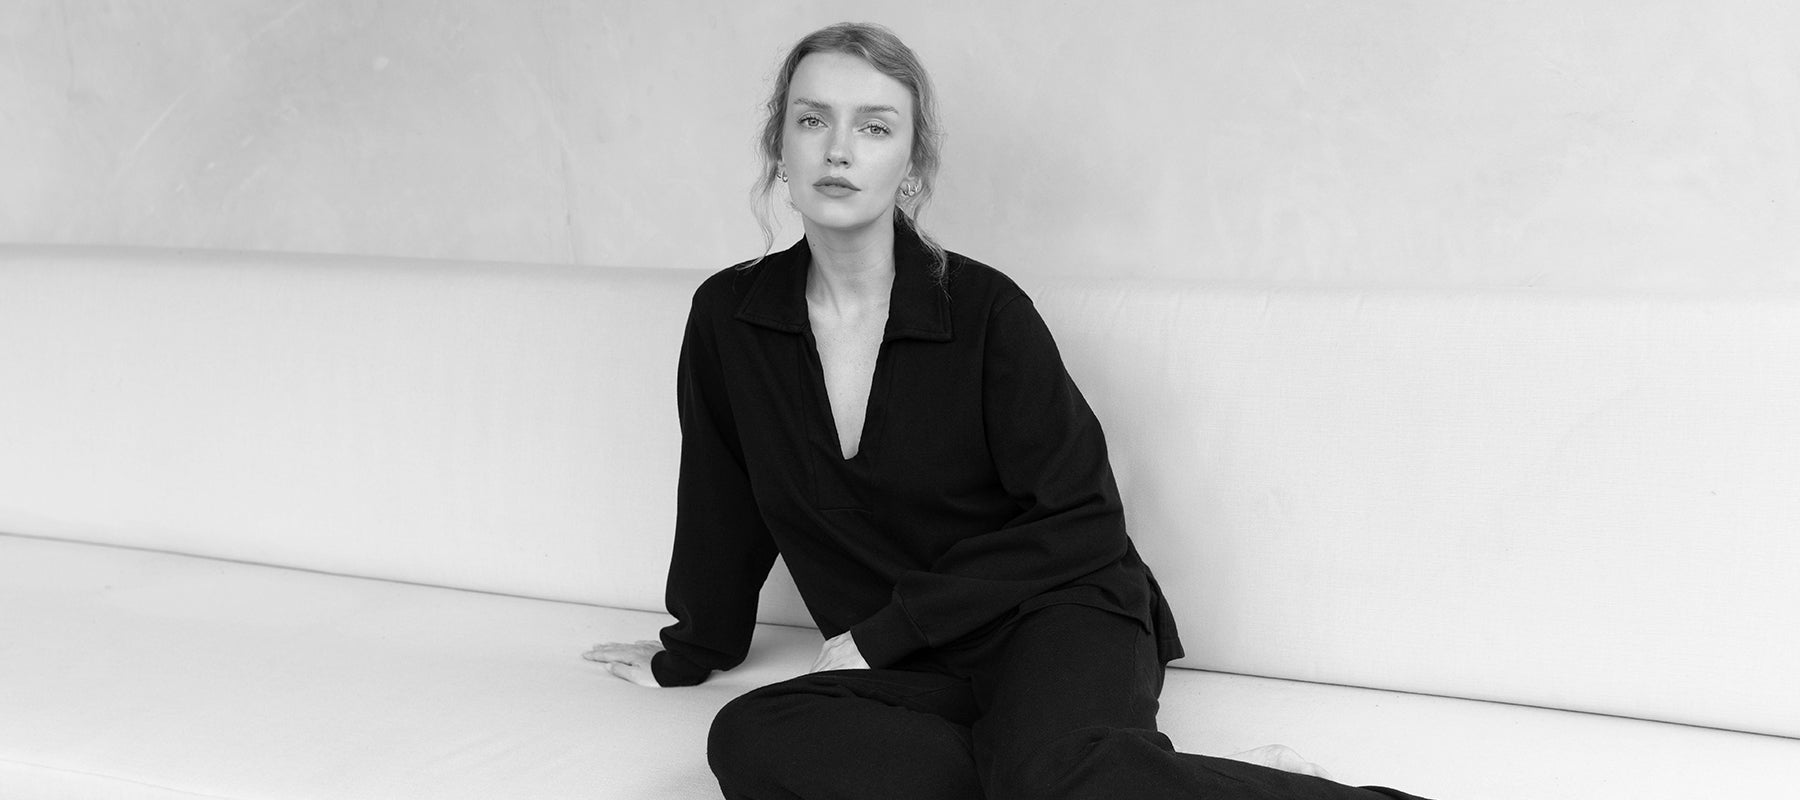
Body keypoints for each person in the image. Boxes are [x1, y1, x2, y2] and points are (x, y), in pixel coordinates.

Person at [586, 22, 1434, 800]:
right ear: (780, 146)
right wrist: (695, 648)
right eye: (813, 120)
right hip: (919, 666)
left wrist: (889, 629)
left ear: (912, 166)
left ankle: (1092, 771)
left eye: (874, 127)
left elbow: (1083, 517)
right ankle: (1136, 779)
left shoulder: (986, 312)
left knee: (1044, 771)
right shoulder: (730, 317)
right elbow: (721, 498)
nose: (839, 149)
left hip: (1059, 616)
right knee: (751, 737)